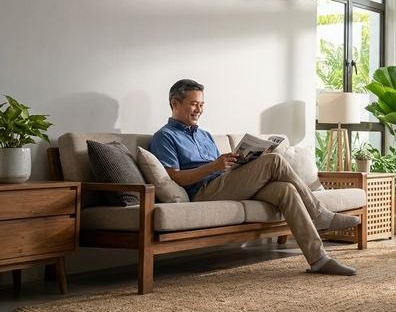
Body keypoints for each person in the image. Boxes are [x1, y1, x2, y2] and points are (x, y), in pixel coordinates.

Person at [150, 79, 359, 276]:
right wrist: (214, 165)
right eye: (194, 104)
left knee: (286, 190)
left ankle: (319, 259)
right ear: (174, 103)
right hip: (204, 192)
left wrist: (242, 164)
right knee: (274, 161)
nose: (199, 110)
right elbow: (175, 178)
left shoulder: (204, 135)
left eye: (202, 104)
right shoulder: (165, 136)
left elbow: (223, 169)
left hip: (226, 182)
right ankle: (320, 214)